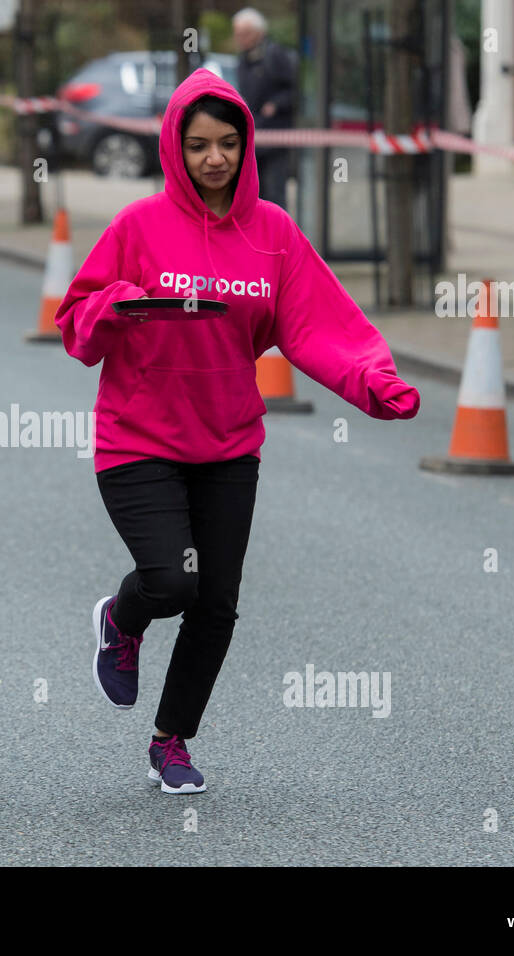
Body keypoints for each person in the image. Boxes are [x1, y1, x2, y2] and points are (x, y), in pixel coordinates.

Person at [55, 69, 419, 795]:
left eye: (227, 143)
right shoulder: (138, 228)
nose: (214, 158)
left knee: (216, 603)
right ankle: (122, 620)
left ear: (245, 145)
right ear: (175, 147)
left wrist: (372, 380)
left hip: (227, 443)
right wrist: (123, 304)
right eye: (198, 145)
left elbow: (319, 325)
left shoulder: (273, 234)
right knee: (172, 579)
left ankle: (171, 742)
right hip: (138, 438)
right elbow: (76, 325)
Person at [232, 7, 295, 209]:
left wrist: (276, 104)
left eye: (245, 33)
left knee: (275, 193)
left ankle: (278, 238)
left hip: (275, 136)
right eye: (238, 34)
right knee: (255, 193)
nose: (241, 39)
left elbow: (294, 91)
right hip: (253, 138)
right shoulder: (243, 59)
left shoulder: (275, 55)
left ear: (260, 33)